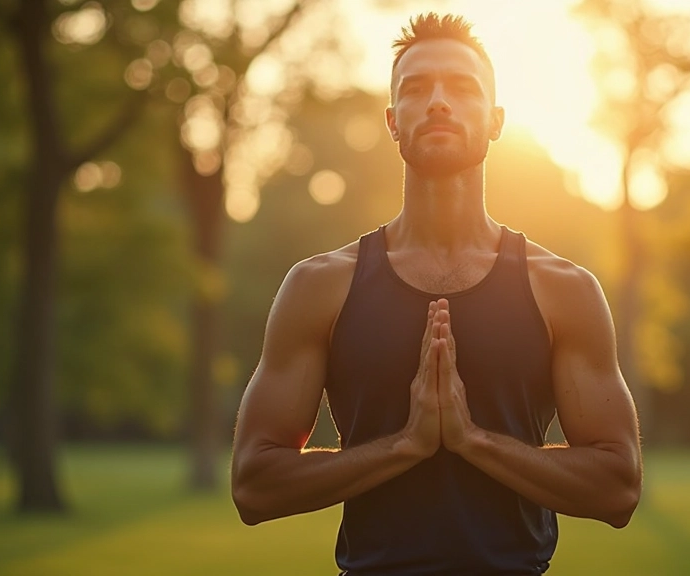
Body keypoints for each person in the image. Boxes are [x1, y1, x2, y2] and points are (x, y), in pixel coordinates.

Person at [231, 12, 643, 576]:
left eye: (462, 88)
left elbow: (618, 489)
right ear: (392, 121)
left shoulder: (563, 290)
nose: (439, 102)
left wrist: (472, 440)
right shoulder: (320, 285)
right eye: (416, 89)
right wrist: (406, 445)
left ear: (496, 120)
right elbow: (255, 486)